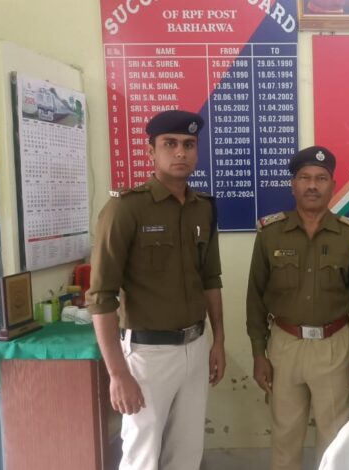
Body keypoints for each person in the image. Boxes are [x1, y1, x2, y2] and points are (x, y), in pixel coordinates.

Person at [87, 110, 225, 470]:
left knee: (187, 452)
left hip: (196, 346)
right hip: (148, 355)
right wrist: (118, 374)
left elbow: (211, 279)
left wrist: (219, 341)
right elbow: (100, 297)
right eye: (170, 144)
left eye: (189, 145)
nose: (180, 152)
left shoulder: (203, 209)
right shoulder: (125, 209)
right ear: (151, 151)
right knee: (142, 456)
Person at [246, 146, 349, 470]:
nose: (312, 185)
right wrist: (259, 353)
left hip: (335, 346)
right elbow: (255, 297)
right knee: (285, 438)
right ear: (293, 185)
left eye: (321, 178)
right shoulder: (270, 234)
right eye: (304, 178)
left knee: (336, 438)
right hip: (284, 346)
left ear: (333, 185)